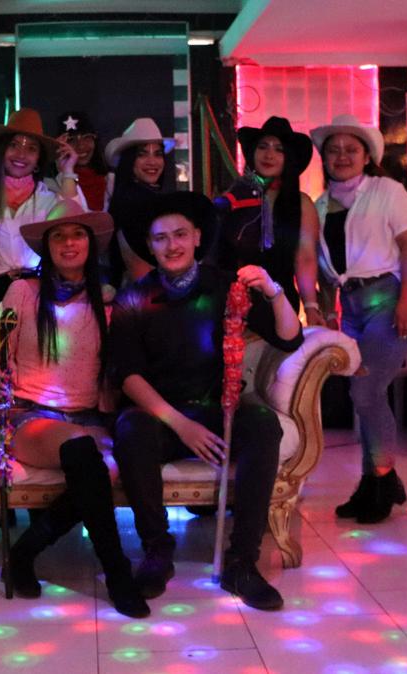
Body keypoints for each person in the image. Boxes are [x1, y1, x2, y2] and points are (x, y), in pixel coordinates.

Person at [110, 192, 304, 611]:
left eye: (180, 234)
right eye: (161, 238)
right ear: (150, 246)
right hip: (162, 417)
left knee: (262, 424)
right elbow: (127, 376)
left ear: (197, 237)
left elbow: (290, 338)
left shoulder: (226, 286)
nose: (172, 245)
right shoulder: (133, 298)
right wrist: (182, 425)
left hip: (220, 411)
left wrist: (273, 291)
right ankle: (157, 550)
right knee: (130, 428)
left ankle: (242, 562)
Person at [0, 200, 149, 618]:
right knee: (81, 451)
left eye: (77, 235)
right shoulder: (23, 291)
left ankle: (23, 552)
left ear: (90, 244)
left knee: (100, 464)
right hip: (31, 414)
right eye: (59, 236)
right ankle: (117, 572)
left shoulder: (107, 301)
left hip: (88, 418)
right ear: (47, 246)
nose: (69, 243)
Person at [310, 113, 407, 525]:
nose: (342, 156)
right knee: (366, 396)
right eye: (334, 150)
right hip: (352, 306)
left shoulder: (387, 191)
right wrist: (326, 310)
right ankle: (374, 481)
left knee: (366, 392)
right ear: (324, 158)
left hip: (389, 300)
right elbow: (323, 268)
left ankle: (382, 481)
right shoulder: (319, 206)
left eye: (351, 149)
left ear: (367, 156)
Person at [0, 108, 81, 382]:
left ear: (38, 159)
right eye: (14, 145)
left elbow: (73, 223)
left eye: (31, 148)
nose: (21, 154)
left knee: (36, 370)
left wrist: (68, 172)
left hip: (37, 291)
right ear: (1, 150)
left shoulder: (48, 196)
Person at [216, 116, 326, 330]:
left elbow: (305, 258)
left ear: (289, 158)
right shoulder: (234, 197)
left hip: (280, 302)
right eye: (263, 146)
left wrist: (311, 306)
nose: (269, 155)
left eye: (279, 149)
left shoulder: (301, 204)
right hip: (233, 303)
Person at [103, 117, 176, 285]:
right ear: (129, 160)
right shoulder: (133, 202)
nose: (152, 162)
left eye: (158, 154)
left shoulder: (130, 196)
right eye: (142, 154)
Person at [55, 110, 109, 211]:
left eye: (87, 138)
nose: (81, 146)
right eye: (72, 140)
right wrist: (67, 172)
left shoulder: (110, 181)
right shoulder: (49, 185)